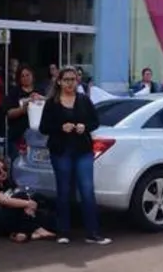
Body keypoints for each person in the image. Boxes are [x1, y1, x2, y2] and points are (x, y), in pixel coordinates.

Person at [39, 66, 111, 245]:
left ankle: (93, 232)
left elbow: (95, 122)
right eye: (66, 80)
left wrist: (84, 127)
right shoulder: (52, 103)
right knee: (64, 190)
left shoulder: (84, 100)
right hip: (61, 150)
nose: (70, 83)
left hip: (83, 150)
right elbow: (43, 127)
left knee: (87, 189)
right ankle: (63, 231)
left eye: (73, 79)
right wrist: (60, 128)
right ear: (59, 82)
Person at [0, 158, 56, 242]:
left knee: (38, 198)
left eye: (4, 169)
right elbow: (5, 201)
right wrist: (28, 203)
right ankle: (36, 230)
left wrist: (30, 203)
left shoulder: (8, 182)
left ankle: (26, 234)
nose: (3, 173)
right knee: (21, 197)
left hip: (14, 216)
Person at [5, 64, 45, 159]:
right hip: (18, 136)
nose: (25, 78)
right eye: (22, 76)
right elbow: (9, 113)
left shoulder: (40, 90)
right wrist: (23, 109)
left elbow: (48, 107)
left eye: (28, 75)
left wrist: (42, 98)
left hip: (38, 136)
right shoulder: (13, 92)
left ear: (32, 76)